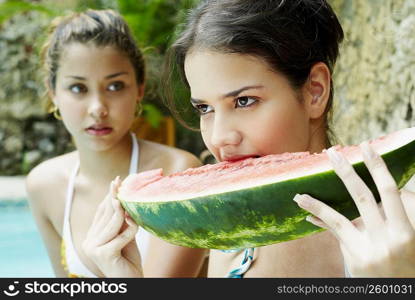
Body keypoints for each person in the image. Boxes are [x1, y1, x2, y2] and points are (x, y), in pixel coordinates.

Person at [84, 0, 415, 278]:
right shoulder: (225, 226)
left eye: (244, 101)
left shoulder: (403, 229)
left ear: (315, 91)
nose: (219, 138)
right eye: (204, 108)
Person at [26, 9, 207, 278]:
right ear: (53, 93)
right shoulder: (44, 185)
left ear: (139, 89)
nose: (98, 108)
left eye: (115, 86)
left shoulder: (177, 173)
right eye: (78, 88)